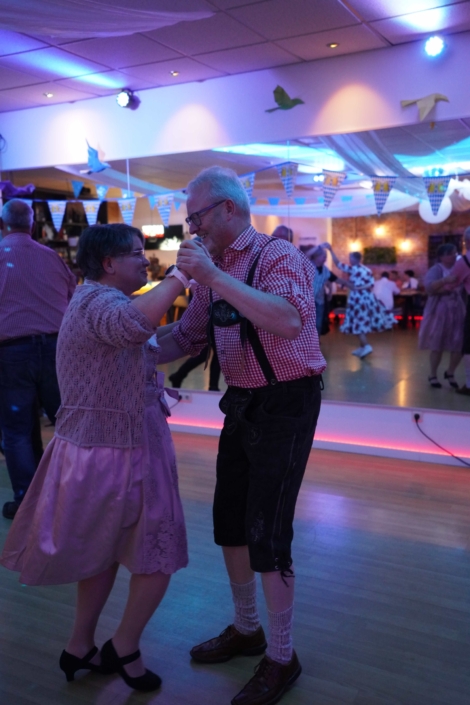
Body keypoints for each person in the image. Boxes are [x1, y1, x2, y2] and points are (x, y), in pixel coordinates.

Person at [158, 166, 325, 705]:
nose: (192, 228)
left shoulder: (277, 256)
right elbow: (187, 337)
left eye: (197, 217)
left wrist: (211, 276)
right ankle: (247, 628)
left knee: (267, 533)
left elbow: (289, 321)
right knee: (230, 522)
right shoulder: (215, 267)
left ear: (228, 208)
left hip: (288, 402)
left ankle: (282, 656)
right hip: (243, 401)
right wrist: (122, 341)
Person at [0, 223, 188, 692]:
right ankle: (124, 646)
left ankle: (79, 646)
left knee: (105, 552)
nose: (144, 260)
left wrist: (199, 319)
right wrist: (182, 276)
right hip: (118, 448)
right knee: (157, 553)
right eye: (136, 253)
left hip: (105, 445)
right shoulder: (99, 302)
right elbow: (133, 327)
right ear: (108, 263)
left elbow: (152, 344)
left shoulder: (99, 302)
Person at [0, 199, 76, 519]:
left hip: (12, 353)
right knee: (67, 424)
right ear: (32, 225)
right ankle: (73, 495)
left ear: (2, 224)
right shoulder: (52, 258)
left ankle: (26, 503)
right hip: (57, 349)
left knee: (16, 430)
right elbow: (72, 297)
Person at [322, 243, 395, 358]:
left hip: (357, 299)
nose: (349, 260)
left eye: (350, 258)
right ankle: (362, 347)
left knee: (357, 322)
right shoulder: (367, 269)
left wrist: (331, 250)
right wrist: (360, 288)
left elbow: (338, 264)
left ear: (355, 259)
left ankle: (366, 346)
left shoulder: (353, 269)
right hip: (368, 298)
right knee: (361, 321)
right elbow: (371, 285)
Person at [418, 243, 465, 388]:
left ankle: (450, 371)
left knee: (459, 343)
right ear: (441, 256)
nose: (454, 256)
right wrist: (444, 281)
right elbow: (429, 288)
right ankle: (433, 374)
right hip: (439, 309)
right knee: (437, 344)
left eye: (455, 253)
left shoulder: (459, 267)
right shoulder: (436, 269)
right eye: (450, 254)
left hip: (457, 308)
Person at [446, 228, 470, 395]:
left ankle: (469, 385)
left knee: (469, 346)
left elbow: (451, 284)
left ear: (466, 242)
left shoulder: (464, 261)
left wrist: (440, 283)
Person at [307, 245, 351, 336]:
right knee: (306, 324)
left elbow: (336, 279)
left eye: (326, 257)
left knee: (318, 324)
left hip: (319, 300)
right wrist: (320, 246)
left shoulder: (325, 270)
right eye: (324, 257)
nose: (325, 259)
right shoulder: (308, 265)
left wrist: (350, 284)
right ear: (317, 257)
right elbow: (306, 254)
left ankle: (315, 341)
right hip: (306, 300)